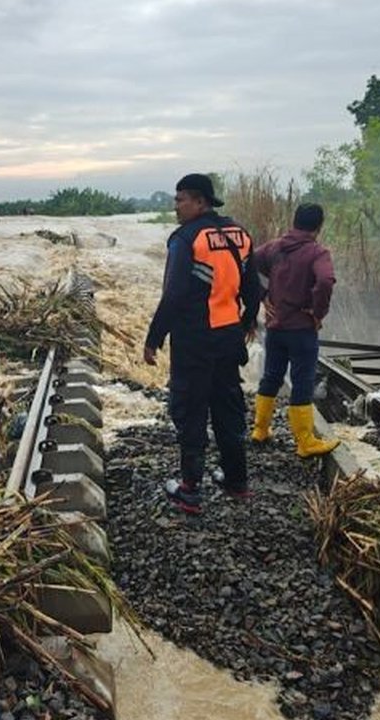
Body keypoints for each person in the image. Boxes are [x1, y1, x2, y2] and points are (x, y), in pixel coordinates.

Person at [143, 173, 261, 514]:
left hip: (194, 341)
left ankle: (190, 490)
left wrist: (154, 338)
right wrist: (248, 321)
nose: (175, 206)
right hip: (228, 338)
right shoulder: (240, 234)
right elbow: (253, 287)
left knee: (190, 409)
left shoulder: (186, 239)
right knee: (228, 407)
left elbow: (174, 294)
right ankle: (236, 481)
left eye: (180, 199)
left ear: (199, 201)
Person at [249, 202, 339, 457]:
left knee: (271, 376)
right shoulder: (317, 253)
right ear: (319, 226)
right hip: (301, 328)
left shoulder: (275, 247)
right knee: (302, 380)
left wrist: (263, 294)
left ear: (294, 221)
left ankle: (260, 429)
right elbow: (325, 281)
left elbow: (246, 263)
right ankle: (305, 442)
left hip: (275, 327)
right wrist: (317, 312)